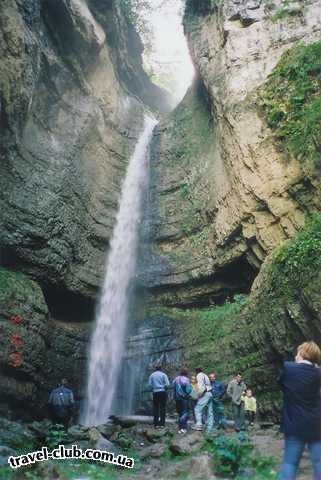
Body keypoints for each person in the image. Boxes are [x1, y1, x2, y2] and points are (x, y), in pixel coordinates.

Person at [279, 341, 321, 480]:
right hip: (316, 425)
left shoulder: (289, 368)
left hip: (294, 423)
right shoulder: (318, 373)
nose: (296, 356)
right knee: (319, 462)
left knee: (290, 463)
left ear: (303, 353)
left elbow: (281, 384)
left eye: (298, 353)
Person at [192, 367, 214, 433]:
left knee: (197, 409)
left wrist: (197, 396)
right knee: (210, 412)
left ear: (196, 371)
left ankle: (199, 425)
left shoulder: (199, 375)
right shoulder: (205, 375)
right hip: (210, 393)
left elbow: (201, 387)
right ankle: (209, 429)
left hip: (205, 394)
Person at [148, 364, 170, 428]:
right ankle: (162, 424)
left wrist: (154, 388)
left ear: (155, 368)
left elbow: (149, 385)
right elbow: (167, 384)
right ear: (161, 368)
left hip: (155, 392)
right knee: (163, 408)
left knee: (156, 408)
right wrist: (164, 387)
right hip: (162, 392)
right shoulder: (163, 375)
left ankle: (156, 424)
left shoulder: (152, 375)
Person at [173, 368, 192, 434]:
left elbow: (173, 387)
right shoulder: (186, 380)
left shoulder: (176, 379)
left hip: (177, 398)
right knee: (185, 412)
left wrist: (174, 397)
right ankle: (183, 428)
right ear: (186, 373)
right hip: (184, 398)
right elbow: (189, 389)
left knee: (180, 413)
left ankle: (180, 428)